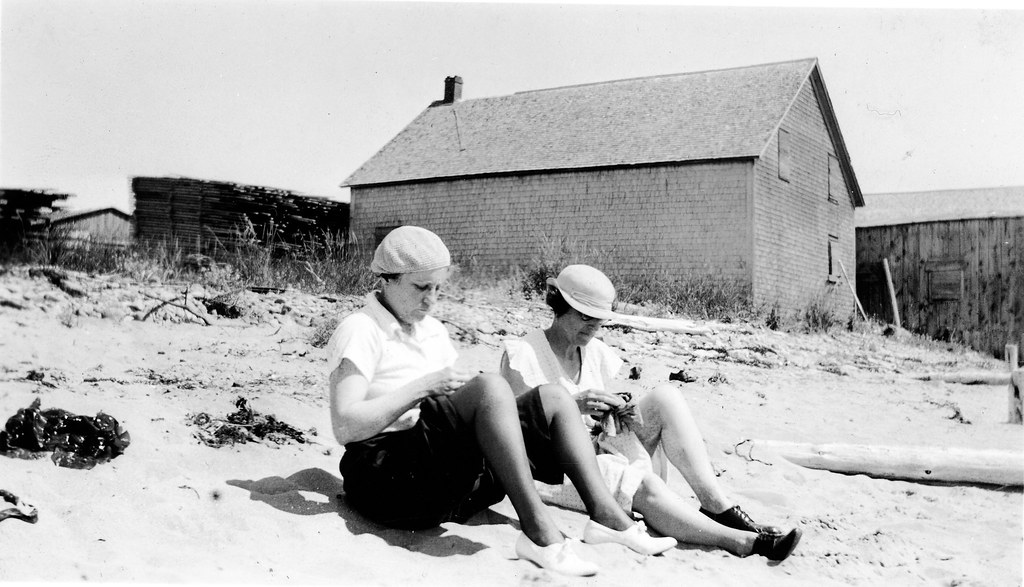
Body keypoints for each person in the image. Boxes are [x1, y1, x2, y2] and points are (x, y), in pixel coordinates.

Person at [327, 228, 676, 577]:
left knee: (554, 397)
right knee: (490, 387)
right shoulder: (362, 328)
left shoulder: (431, 330)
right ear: (386, 280)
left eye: (438, 288)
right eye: (421, 288)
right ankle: (540, 534)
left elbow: (455, 410)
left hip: (443, 482)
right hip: (386, 479)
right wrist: (423, 388)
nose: (431, 300)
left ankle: (607, 518)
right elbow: (346, 427)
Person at [499, 264, 803, 561]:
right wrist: (573, 405)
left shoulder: (593, 352)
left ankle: (716, 505)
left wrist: (617, 412)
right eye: (585, 318)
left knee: (666, 397)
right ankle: (744, 541)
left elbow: (596, 425)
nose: (592, 329)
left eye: (599, 321)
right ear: (560, 305)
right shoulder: (523, 353)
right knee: (640, 482)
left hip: (595, 447)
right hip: (557, 471)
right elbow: (511, 432)